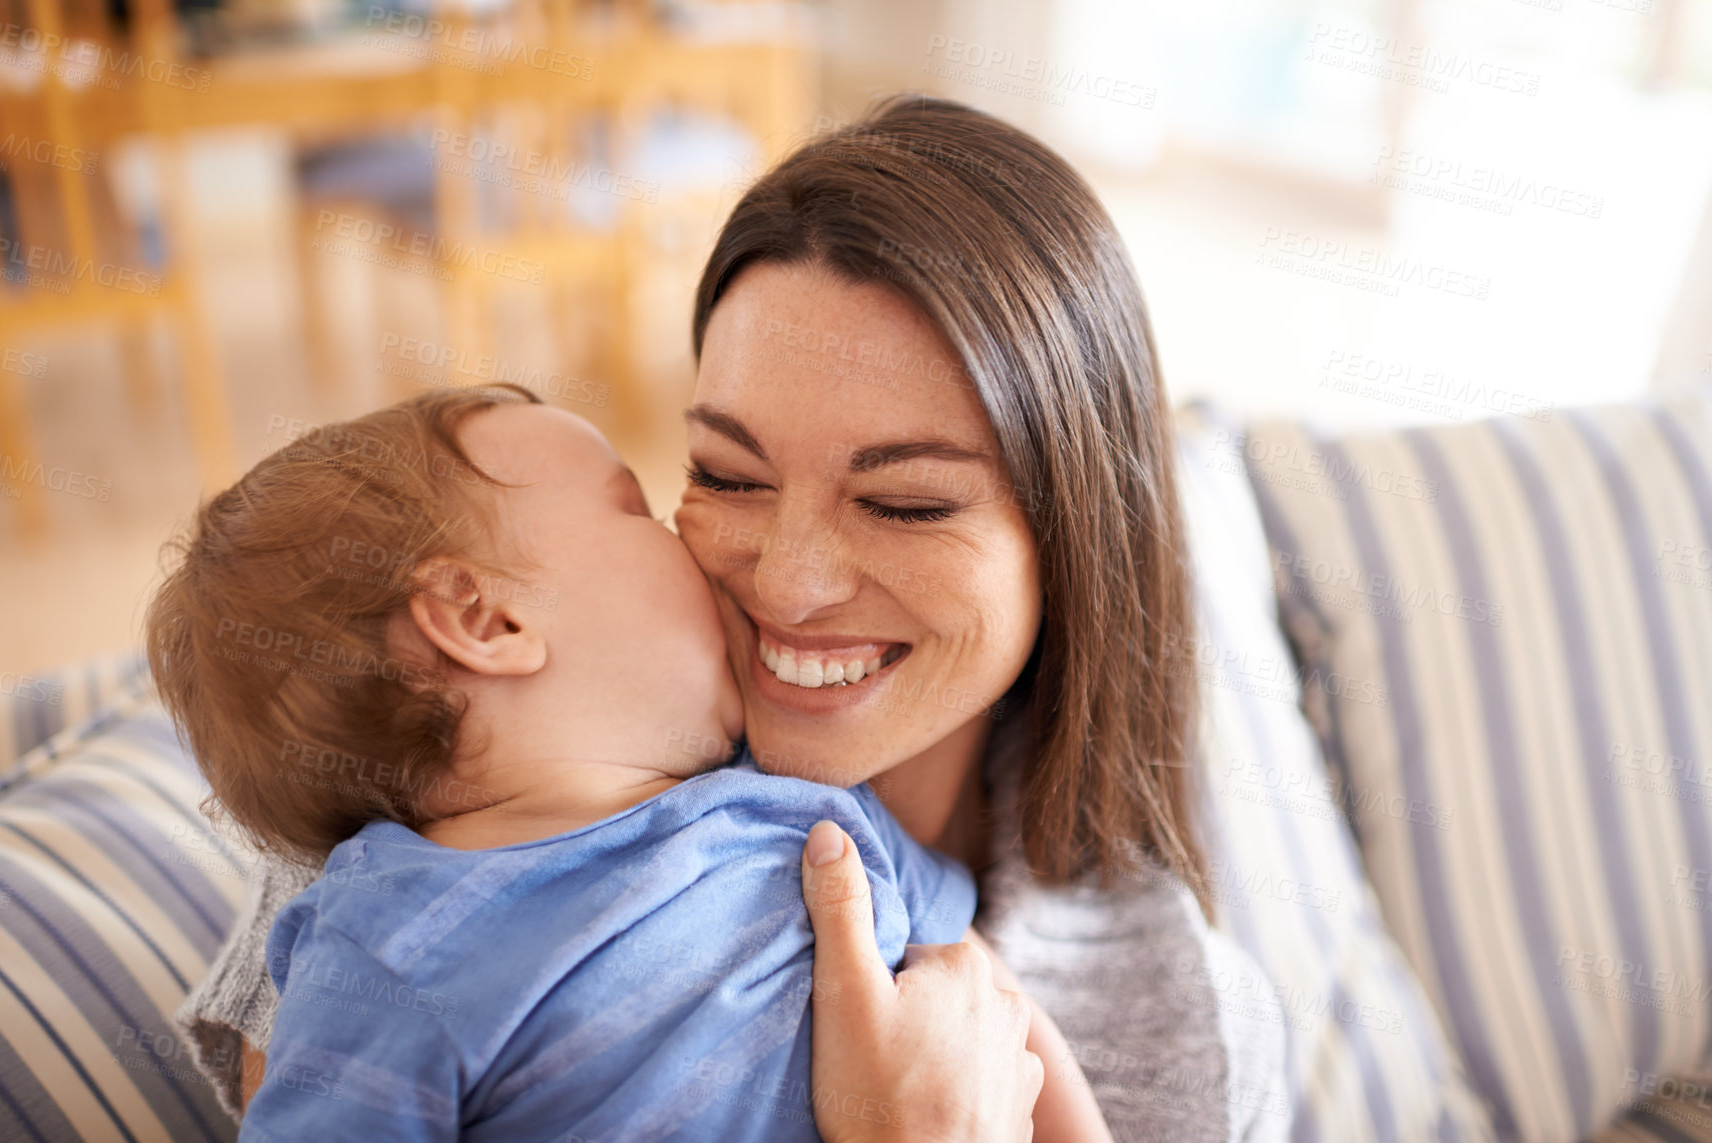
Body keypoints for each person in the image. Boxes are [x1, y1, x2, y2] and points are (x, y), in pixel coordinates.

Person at [177, 94, 1291, 1142]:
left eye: (903, 500)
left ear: (1072, 539)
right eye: (727, 474)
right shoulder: (407, 824)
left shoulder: (1177, 1029)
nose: (792, 585)